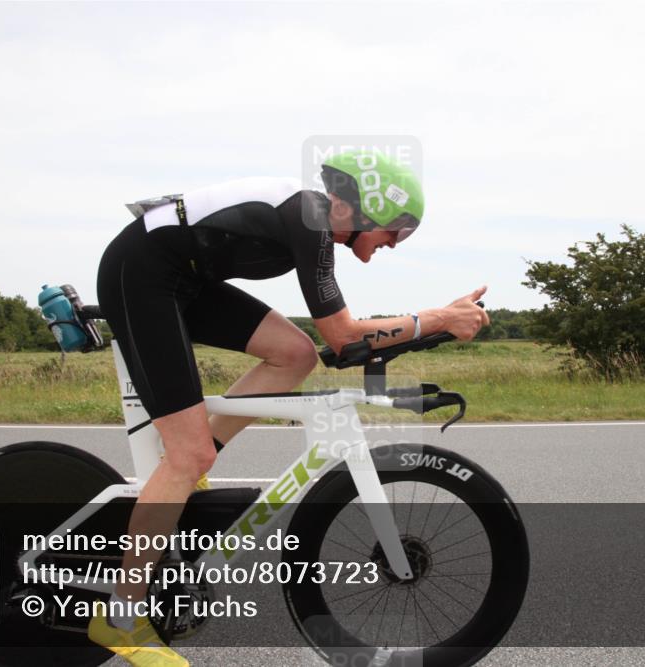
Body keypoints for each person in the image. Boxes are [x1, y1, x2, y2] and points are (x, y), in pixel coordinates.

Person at [88, 151, 490, 665]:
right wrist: (436, 318)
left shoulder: (315, 224)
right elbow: (343, 336)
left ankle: (193, 458)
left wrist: (429, 325)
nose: (390, 246)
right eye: (396, 233)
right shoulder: (311, 218)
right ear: (370, 207)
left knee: (294, 353)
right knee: (187, 458)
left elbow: (331, 346)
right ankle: (121, 617)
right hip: (141, 272)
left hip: (183, 278)